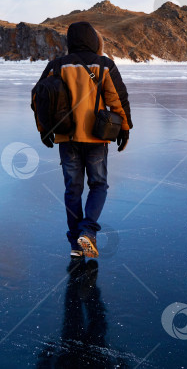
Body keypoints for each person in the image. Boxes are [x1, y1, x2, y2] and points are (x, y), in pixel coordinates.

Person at [34, 22, 133, 258]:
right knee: (98, 185)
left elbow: (39, 99)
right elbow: (118, 99)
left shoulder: (56, 66)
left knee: (73, 189)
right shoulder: (104, 65)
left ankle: (75, 245)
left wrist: (44, 130)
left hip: (66, 137)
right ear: (92, 39)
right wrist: (125, 129)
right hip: (97, 137)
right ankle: (87, 231)